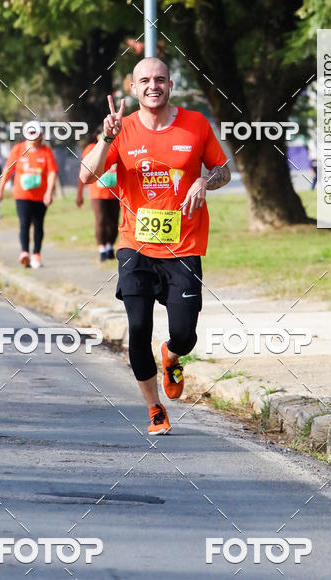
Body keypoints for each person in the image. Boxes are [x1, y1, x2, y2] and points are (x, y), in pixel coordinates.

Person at [80, 58, 230, 435]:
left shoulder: (195, 124)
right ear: (134, 88)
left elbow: (223, 171)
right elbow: (87, 175)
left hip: (185, 245)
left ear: (170, 84)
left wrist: (204, 182)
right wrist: (106, 138)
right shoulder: (123, 130)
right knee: (138, 328)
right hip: (136, 247)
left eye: (159, 79)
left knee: (185, 333)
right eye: (144, 80)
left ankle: (172, 355)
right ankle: (154, 409)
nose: (153, 86)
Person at [0, 121, 57, 269]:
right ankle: (24, 253)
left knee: (38, 226)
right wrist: (0, 191)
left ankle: (36, 254)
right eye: (29, 133)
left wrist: (49, 192)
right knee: (24, 224)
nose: (32, 137)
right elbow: (7, 171)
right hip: (22, 195)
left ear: (41, 135)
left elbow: (52, 173)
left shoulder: (46, 152)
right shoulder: (17, 149)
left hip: (41, 196)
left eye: (35, 133)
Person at [76, 127, 120, 262]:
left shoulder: (118, 146)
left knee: (113, 222)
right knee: (101, 220)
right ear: (97, 136)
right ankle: (102, 248)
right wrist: (80, 194)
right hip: (97, 193)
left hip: (115, 193)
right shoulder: (90, 149)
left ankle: (109, 246)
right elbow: (84, 172)